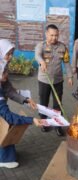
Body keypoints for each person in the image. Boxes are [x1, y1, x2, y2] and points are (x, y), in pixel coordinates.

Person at [0, 39, 42, 169]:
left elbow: (9, 90)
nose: (11, 57)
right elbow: (9, 116)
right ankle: (4, 160)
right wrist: (31, 120)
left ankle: (6, 156)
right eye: (9, 54)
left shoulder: (3, 69)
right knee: (7, 124)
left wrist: (26, 100)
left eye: (12, 53)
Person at [35, 24, 73, 136]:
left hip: (58, 80)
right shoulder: (40, 46)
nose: (54, 38)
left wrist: (70, 76)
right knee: (43, 103)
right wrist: (41, 61)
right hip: (44, 80)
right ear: (46, 34)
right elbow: (37, 55)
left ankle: (57, 125)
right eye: (51, 35)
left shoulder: (63, 47)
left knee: (57, 104)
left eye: (56, 35)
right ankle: (44, 123)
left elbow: (66, 63)